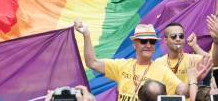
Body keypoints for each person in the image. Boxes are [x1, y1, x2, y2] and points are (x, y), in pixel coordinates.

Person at [74, 21, 211, 100]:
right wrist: (86, 34)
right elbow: (92, 62)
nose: (148, 45)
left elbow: (183, 91)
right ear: (134, 44)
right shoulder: (122, 65)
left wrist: (195, 79)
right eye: (144, 41)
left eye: (151, 41)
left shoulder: (161, 69)